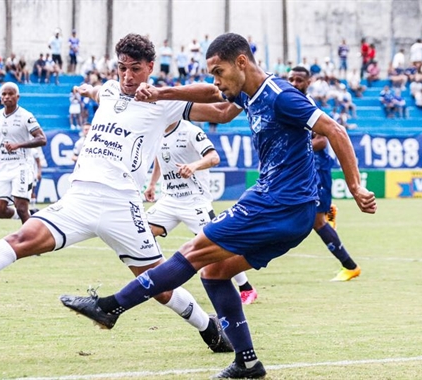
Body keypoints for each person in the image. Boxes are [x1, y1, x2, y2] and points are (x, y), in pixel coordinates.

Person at [60, 33, 376, 379]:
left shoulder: (281, 96)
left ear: (241, 62)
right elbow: (212, 98)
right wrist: (164, 93)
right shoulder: (247, 93)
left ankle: (111, 307)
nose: (215, 80)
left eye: (218, 71)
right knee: (215, 272)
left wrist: (356, 186)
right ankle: (248, 362)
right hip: (289, 210)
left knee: (192, 252)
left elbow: (336, 130)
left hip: (277, 203)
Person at [0, 34, 233, 358]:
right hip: (79, 197)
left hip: (122, 203)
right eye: (122, 68)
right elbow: (100, 92)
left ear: (150, 67)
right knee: (20, 238)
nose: (128, 76)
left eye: (135, 69)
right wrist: (87, 89)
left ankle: (210, 330)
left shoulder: (166, 101)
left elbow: (214, 96)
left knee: (158, 284)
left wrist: (160, 92)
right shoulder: (110, 89)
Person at [144, 119, 258, 304]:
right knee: (143, 235)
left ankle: (246, 287)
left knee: (218, 246)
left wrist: (194, 166)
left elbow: (214, 158)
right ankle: (162, 279)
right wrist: (152, 183)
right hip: (169, 200)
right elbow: (159, 157)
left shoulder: (191, 131)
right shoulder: (157, 130)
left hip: (195, 201)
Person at [288, 66, 361, 281]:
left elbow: (320, 140)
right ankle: (328, 209)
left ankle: (350, 266)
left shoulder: (308, 107)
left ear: (308, 83)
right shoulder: (290, 105)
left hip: (318, 170)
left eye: (299, 80)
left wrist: (297, 149)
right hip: (305, 171)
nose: (294, 84)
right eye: (290, 79)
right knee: (307, 218)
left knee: (316, 223)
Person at [0, 82, 47, 224]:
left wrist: (18, 145)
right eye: (4, 94)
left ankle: (32, 242)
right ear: (0, 97)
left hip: (21, 166)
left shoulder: (26, 116)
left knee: (21, 207)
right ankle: (31, 216)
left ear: (17, 96)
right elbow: (1, 135)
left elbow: (42, 139)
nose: (7, 97)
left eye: (10, 94)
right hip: (3, 168)